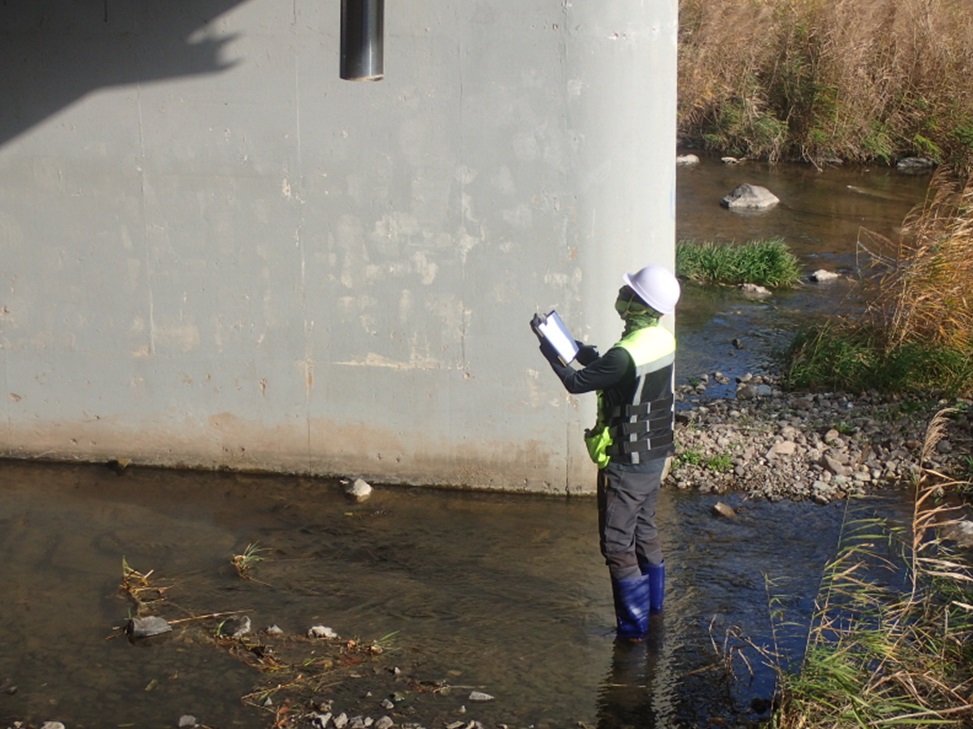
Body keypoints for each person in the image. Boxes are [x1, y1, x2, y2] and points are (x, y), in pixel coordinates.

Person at [532, 264, 680, 642]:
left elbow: (576, 383)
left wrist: (552, 352)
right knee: (645, 529)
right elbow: (618, 372)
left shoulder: (625, 353)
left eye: (627, 292)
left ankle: (633, 633)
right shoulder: (661, 340)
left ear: (637, 303)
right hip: (654, 455)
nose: (622, 294)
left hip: (627, 462)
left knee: (616, 544)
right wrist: (583, 352)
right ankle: (655, 614)